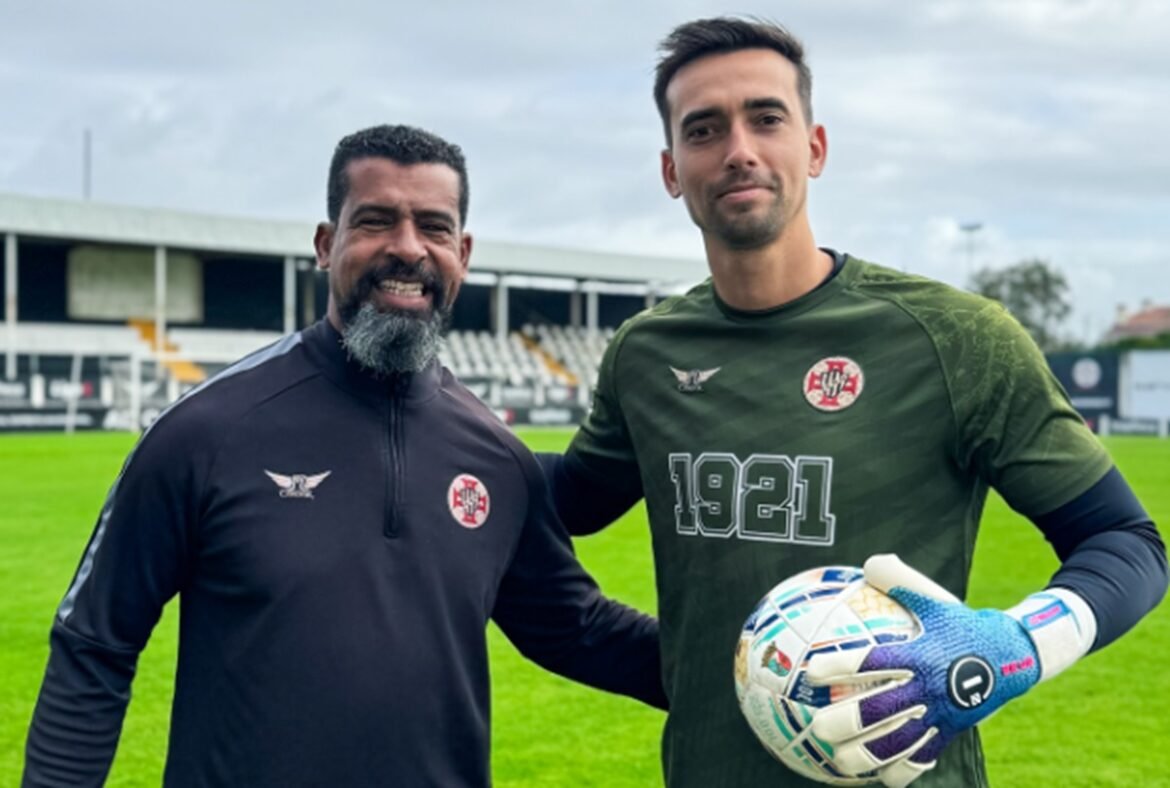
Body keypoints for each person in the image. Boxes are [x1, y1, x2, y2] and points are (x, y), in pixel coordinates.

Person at [538, 17, 1168, 788]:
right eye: (704, 130)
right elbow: (567, 500)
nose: (739, 149)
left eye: (766, 118)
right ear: (672, 169)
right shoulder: (648, 354)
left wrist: (1015, 642)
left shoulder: (954, 338)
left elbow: (1128, 543)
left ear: (815, 147)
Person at [23, 124, 666, 788]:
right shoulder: (205, 431)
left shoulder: (498, 459)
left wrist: (743, 668)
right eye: (377, 221)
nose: (407, 248)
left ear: (464, 253)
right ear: (327, 245)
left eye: (434, 228)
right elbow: (93, 644)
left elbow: (576, 629)